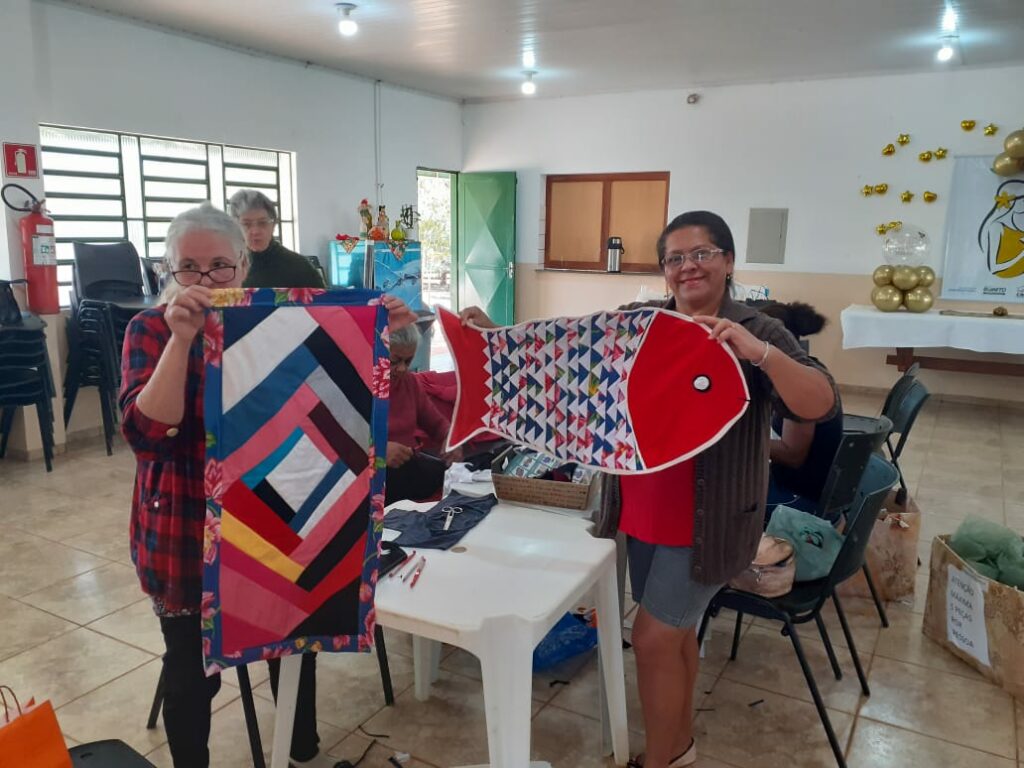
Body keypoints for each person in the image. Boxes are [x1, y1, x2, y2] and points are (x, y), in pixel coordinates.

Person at [460, 211, 837, 768]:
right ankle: (678, 748)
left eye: (703, 253)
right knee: (677, 637)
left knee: (657, 638)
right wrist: (493, 335)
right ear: (664, 271)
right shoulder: (641, 322)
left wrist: (757, 355)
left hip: (711, 521)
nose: (689, 267)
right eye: (675, 258)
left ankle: (660, 760)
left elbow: (820, 401)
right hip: (642, 509)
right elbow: (565, 353)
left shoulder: (758, 329)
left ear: (729, 262)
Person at [120, 202, 416, 768]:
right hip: (183, 526)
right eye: (188, 267)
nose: (204, 280)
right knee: (189, 669)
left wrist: (379, 329)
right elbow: (146, 433)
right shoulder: (150, 328)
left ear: (242, 267)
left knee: (291, 642)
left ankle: (298, 748)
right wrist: (182, 341)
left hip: (277, 516)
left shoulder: (274, 325)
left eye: (219, 267)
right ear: (167, 270)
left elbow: (338, 400)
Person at [758, 301, 845, 520]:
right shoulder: (808, 367)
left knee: (723, 501)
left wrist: (744, 442)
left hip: (801, 497)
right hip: (810, 487)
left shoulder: (797, 384)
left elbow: (792, 454)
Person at [384, 323, 456, 503]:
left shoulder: (408, 382)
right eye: (394, 361)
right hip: (372, 474)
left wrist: (449, 436)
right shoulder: (357, 385)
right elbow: (338, 444)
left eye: (407, 361)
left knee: (459, 473)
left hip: (407, 465)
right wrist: (378, 452)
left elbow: (434, 421)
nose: (401, 368)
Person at [227, 188, 325, 289]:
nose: (255, 231)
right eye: (246, 224)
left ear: (273, 225)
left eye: (262, 223)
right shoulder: (225, 268)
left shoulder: (300, 268)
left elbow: (324, 303)